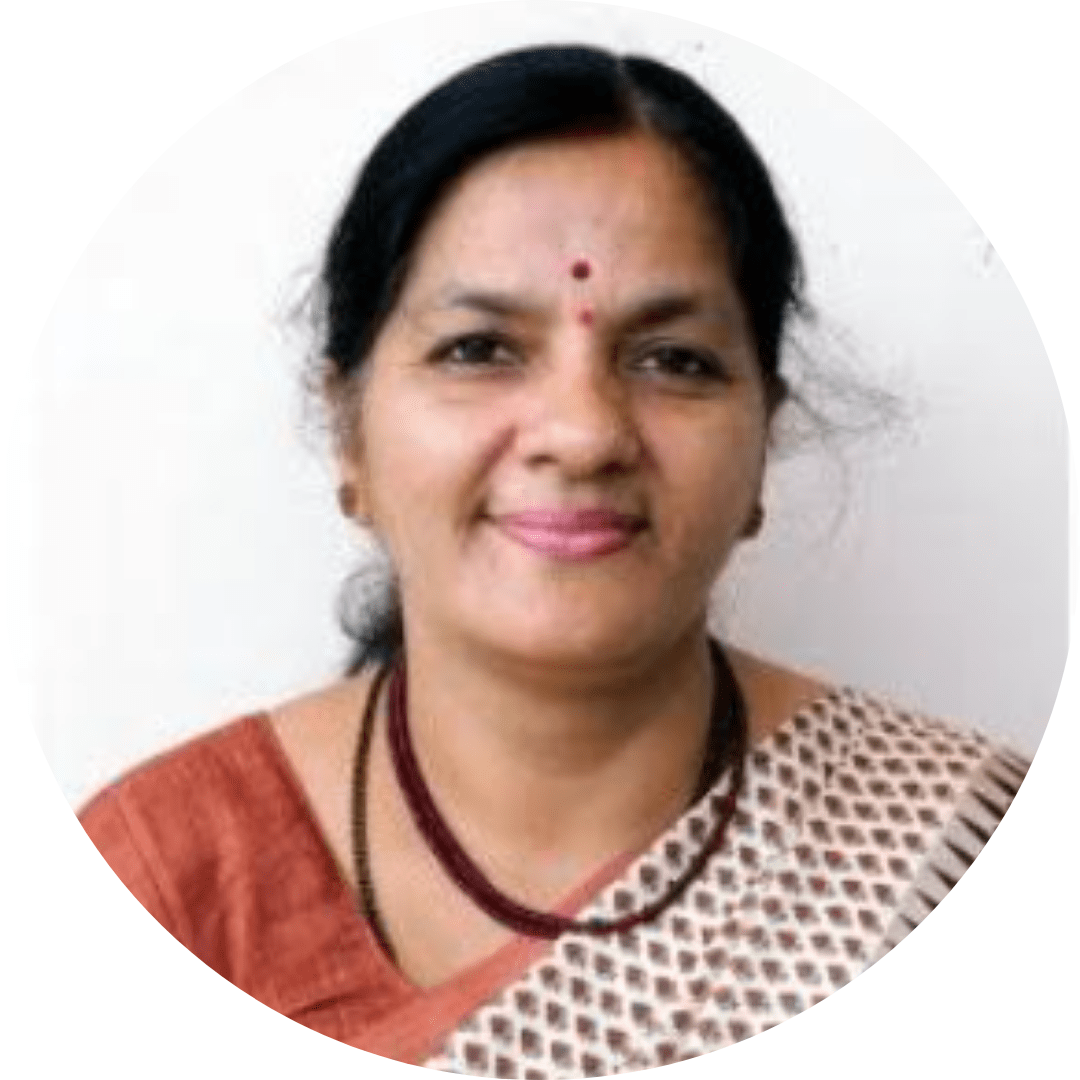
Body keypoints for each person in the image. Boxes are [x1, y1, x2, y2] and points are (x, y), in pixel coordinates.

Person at [78, 45, 1028, 1076]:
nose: (582, 434)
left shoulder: (965, 861)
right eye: (480, 349)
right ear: (349, 433)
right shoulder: (161, 883)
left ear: (763, 441)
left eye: (674, 359)